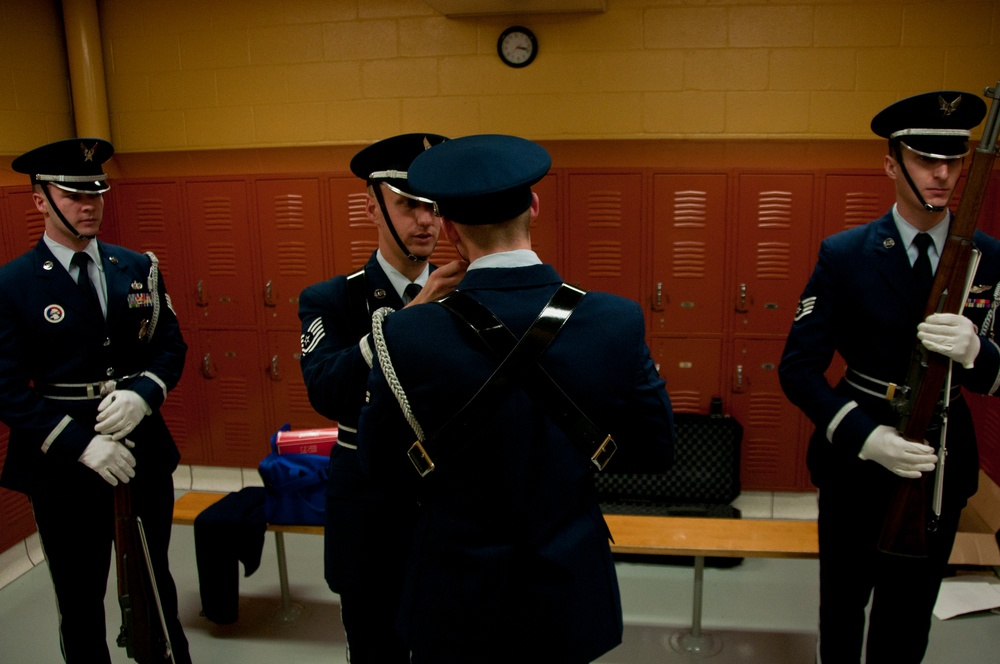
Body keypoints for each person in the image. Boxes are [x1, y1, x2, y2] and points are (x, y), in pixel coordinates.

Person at [356, 134, 676, 663]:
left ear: (451, 230)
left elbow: (379, 468)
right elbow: (655, 449)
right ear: (534, 205)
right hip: (568, 586)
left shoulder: (405, 335)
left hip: (455, 592)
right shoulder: (615, 321)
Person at [779, 90, 1000, 663]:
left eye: (953, 161)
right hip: (858, 461)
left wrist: (980, 351)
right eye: (927, 160)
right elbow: (798, 369)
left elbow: (995, 379)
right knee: (844, 611)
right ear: (891, 163)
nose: (943, 174)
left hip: (941, 460)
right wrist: (863, 436)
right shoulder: (846, 254)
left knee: (906, 621)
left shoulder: (988, 257)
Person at [0, 138, 191, 663]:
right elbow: (6, 389)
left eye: (96, 194)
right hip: (62, 464)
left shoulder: (135, 268)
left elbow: (169, 344)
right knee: (81, 600)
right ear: (40, 198)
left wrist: (144, 393)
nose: (89, 206)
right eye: (73, 195)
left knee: (155, 587)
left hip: (142, 451)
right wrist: (82, 446)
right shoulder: (11, 285)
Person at [297, 133, 467, 663]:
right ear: (372, 207)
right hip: (370, 511)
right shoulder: (334, 298)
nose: (426, 222)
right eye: (409, 205)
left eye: (435, 208)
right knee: (375, 651)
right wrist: (409, 317)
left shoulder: (468, 294)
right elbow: (326, 390)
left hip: (449, 506)